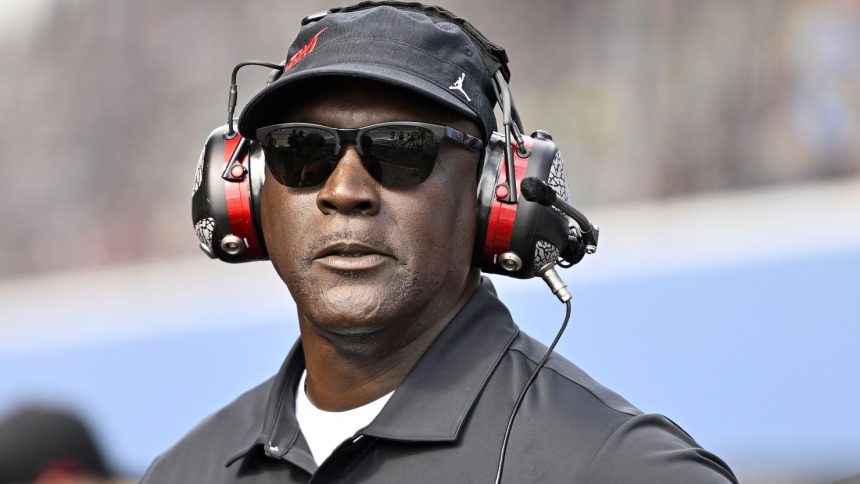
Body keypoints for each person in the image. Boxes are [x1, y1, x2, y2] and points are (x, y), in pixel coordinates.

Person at [142, 3, 737, 483]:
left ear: (495, 194)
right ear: (244, 195)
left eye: (404, 149)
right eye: (303, 149)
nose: (345, 191)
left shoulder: (622, 468)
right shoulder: (184, 472)